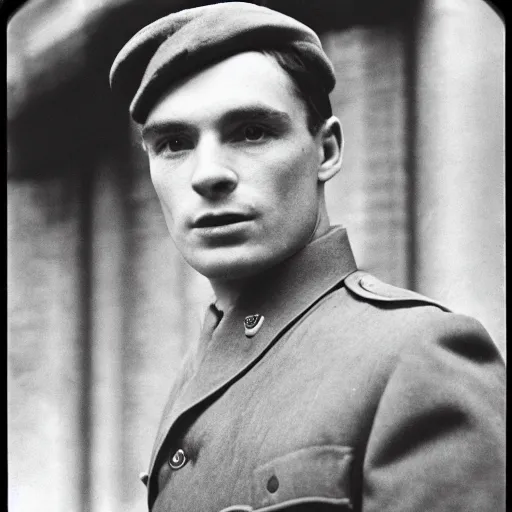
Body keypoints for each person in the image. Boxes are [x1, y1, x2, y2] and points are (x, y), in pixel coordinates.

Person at [109, 3, 505, 511]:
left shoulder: (418, 356)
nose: (208, 174)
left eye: (252, 131)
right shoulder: (198, 371)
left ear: (327, 151)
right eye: (174, 143)